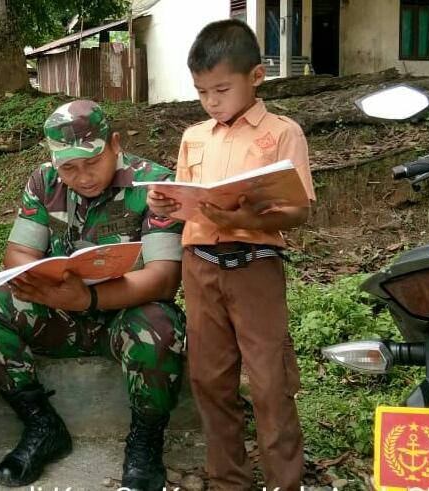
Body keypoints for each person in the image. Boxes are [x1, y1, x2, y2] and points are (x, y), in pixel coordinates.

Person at [0, 100, 186, 491]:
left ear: (114, 144)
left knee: (160, 325)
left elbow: (164, 278)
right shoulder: (44, 181)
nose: (82, 177)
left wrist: (87, 299)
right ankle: (42, 425)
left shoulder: (153, 185)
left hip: (125, 316)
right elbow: (18, 255)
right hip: (61, 312)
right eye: (68, 168)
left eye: (92, 162)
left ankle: (145, 442)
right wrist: (54, 285)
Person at [147, 19, 316, 491]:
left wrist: (245, 219)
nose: (211, 101)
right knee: (209, 378)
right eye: (202, 92)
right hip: (201, 267)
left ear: (256, 76)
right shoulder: (194, 137)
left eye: (221, 89)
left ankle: (284, 482)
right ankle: (228, 480)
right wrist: (165, 204)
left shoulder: (282, 134)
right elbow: (188, 198)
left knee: (269, 381)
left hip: (255, 266)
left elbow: (299, 210)